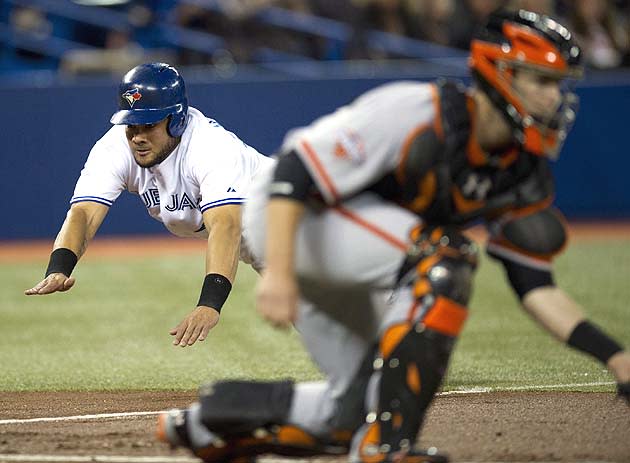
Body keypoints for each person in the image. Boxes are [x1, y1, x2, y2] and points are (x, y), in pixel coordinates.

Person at [156, 10, 630, 463]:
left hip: (353, 249)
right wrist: (278, 272)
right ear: (501, 71)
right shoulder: (418, 111)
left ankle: (208, 420)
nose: (554, 97)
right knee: (445, 259)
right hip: (287, 217)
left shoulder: (522, 171)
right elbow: (294, 173)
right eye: (543, 81)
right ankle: (387, 447)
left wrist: (615, 358)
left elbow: (536, 286)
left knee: (356, 408)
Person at [25, 62, 274, 348]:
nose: (138, 136)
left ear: (176, 119)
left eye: (150, 124)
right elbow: (84, 211)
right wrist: (60, 266)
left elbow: (227, 225)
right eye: (131, 125)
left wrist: (210, 303)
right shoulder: (116, 147)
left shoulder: (212, 148)